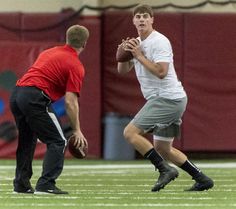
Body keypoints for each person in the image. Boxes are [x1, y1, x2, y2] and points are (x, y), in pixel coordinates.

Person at [117, 4, 214, 192]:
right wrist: (122, 54)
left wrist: (139, 55)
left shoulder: (159, 41)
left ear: (152, 19)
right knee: (163, 149)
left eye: (146, 16)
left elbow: (161, 72)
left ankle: (164, 170)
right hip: (169, 99)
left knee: (130, 133)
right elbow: (122, 71)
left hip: (167, 98)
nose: (142, 19)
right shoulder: (135, 43)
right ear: (133, 20)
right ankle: (202, 178)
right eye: (138, 17)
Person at [9, 25, 89, 194]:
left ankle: (21, 184)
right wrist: (77, 130)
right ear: (85, 44)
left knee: (27, 140)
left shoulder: (49, 52)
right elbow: (70, 101)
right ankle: (46, 183)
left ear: (67, 39)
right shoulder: (75, 65)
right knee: (59, 141)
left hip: (17, 94)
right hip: (35, 97)